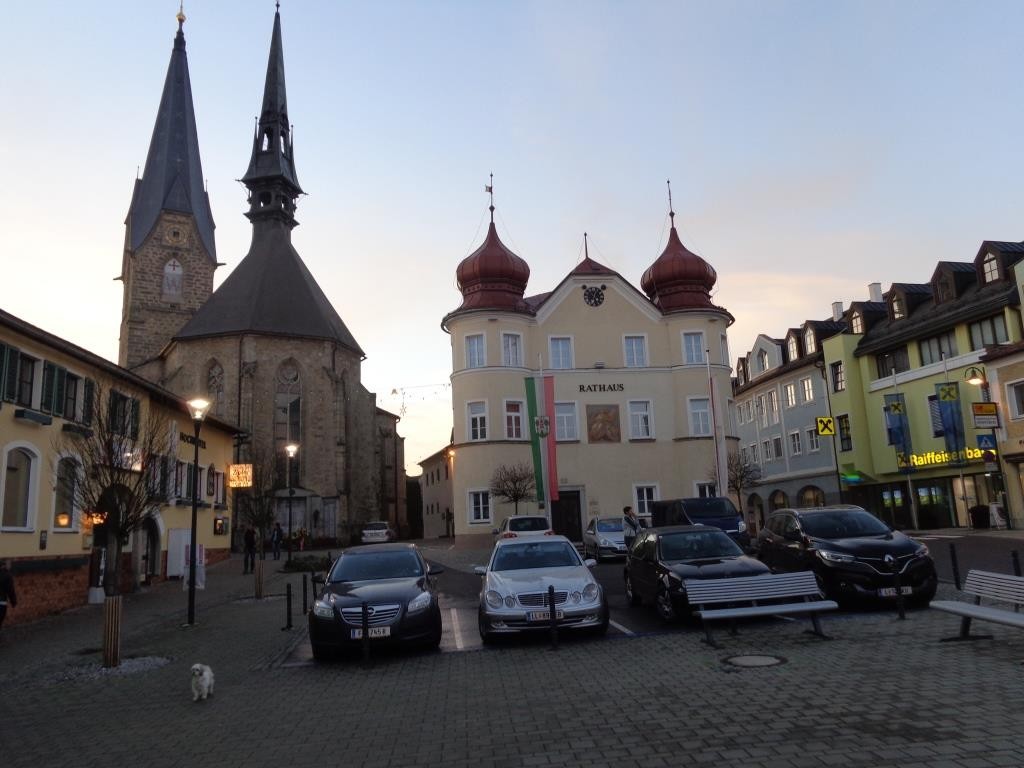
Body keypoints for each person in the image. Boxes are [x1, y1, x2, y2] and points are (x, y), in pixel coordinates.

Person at [0, 560, 17, 632]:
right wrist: (14, 602)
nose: (10, 566)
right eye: (9, 564)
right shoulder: (7, 575)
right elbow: (10, 591)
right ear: (5, 565)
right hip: (1, 602)